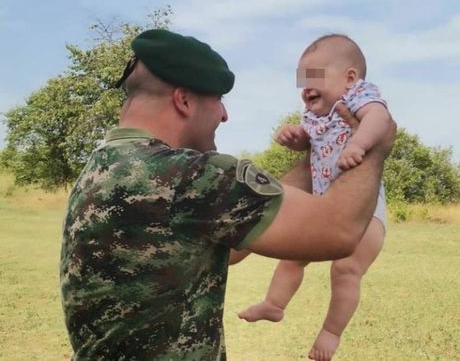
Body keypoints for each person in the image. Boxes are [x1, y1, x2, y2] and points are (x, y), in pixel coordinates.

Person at [60, 29, 395, 360]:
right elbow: (337, 230)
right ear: (184, 100)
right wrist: (374, 146)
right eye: (218, 100)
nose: (224, 114)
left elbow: (230, 247)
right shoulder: (188, 175)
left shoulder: (102, 166)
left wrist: (317, 155)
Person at [238, 34, 392, 361]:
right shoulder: (315, 115)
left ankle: (331, 332)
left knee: (345, 269)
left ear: (350, 78)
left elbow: (381, 120)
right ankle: (274, 304)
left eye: (314, 77)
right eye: (302, 80)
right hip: (326, 200)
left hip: (366, 208)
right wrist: (297, 140)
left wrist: (359, 144)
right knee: (294, 253)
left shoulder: (358, 96)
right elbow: (313, 147)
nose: (305, 88)